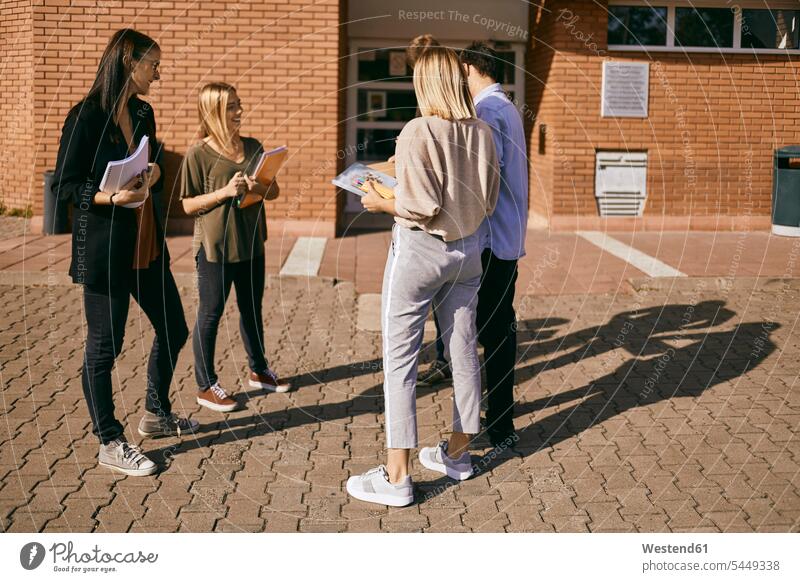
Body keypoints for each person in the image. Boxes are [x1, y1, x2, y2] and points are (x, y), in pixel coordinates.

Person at [346, 47, 500, 506]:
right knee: (463, 349)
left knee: (400, 359)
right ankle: (458, 454)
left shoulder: (418, 129)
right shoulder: (483, 131)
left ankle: (397, 477)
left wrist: (376, 201)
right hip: (468, 252)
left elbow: (418, 206)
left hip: (419, 253)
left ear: (425, 82)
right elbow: (486, 199)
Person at [52, 29, 198, 477]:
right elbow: (64, 185)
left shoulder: (142, 110)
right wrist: (105, 196)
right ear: (127, 62)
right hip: (105, 248)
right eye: (153, 63)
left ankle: (155, 413)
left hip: (147, 243)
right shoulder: (85, 118)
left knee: (174, 328)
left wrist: (152, 173)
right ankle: (110, 440)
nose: (159, 71)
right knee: (104, 346)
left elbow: (147, 163)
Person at [417, 42, 528, 448]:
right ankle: (499, 415)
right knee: (496, 328)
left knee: (490, 332)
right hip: (506, 238)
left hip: (492, 241)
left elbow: (479, 177)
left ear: (466, 68)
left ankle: (499, 423)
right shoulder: (506, 107)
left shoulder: (488, 111)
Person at [180, 82, 290, 414]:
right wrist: (225, 192)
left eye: (239, 104)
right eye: (231, 107)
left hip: (252, 241)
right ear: (214, 112)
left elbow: (274, 193)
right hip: (215, 247)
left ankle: (259, 370)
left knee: (251, 309)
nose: (239, 111)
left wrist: (259, 186)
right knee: (210, 314)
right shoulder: (198, 153)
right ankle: (205, 386)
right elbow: (187, 205)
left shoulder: (254, 146)